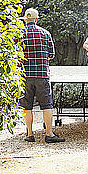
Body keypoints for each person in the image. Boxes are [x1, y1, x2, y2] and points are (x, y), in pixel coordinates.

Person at [19, 8, 65, 143]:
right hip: (42, 75)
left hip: (25, 76)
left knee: (26, 106)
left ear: (25, 20)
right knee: (47, 105)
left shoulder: (19, 34)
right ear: (37, 19)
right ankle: (49, 134)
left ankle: (29, 134)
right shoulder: (45, 33)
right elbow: (51, 54)